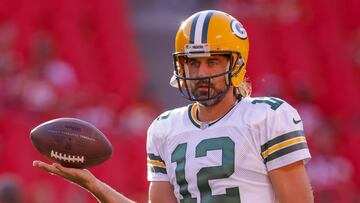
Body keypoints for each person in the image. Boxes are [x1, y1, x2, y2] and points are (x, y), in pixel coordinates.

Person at [33, 10, 314, 203]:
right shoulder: (165, 128)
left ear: (236, 64)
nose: (201, 72)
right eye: (192, 62)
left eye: (212, 61)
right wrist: (94, 186)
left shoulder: (267, 117)